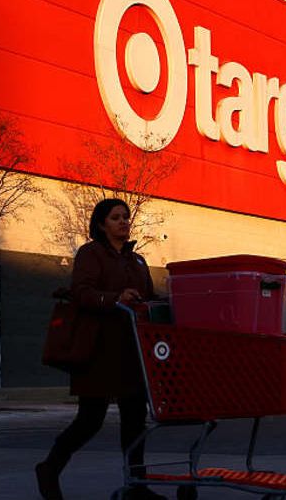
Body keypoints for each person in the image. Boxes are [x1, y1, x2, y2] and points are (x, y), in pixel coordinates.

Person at [35, 199, 166, 500]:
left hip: (131, 350)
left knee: (135, 419)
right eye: (116, 217)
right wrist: (115, 297)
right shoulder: (91, 254)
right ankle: (50, 468)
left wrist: (168, 301)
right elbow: (82, 293)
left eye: (126, 217)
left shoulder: (137, 261)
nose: (123, 222)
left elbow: (148, 295)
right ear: (101, 224)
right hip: (97, 349)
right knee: (89, 420)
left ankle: (136, 486)